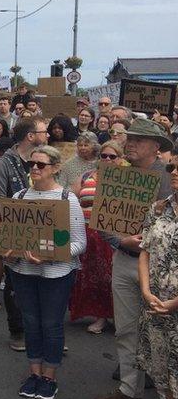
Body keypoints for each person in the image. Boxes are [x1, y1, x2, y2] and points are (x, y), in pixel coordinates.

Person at [93, 119, 174, 399]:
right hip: (125, 261)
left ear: (156, 147)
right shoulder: (117, 176)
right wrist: (121, 241)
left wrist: (147, 244)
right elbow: (103, 222)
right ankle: (130, 389)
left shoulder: (169, 178)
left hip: (159, 268)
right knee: (126, 329)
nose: (131, 144)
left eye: (139, 140)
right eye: (130, 139)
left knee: (160, 332)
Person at [7, 146, 87, 399]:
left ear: (54, 168)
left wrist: (50, 254)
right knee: (30, 322)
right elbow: (10, 237)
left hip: (57, 275)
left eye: (41, 165)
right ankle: (34, 372)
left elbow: (79, 243)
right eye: (32, 164)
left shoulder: (66, 199)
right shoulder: (19, 197)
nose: (34, 168)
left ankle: (49, 375)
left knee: (51, 324)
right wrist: (9, 250)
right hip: (24, 271)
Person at [0, 117, 48, 346]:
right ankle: (18, 331)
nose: (47, 135)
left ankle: (45, 333)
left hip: (44, 230)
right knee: (16, 286)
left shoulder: (47, 161)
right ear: (30, 136)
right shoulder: (3, 164)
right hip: (16, 234)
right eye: (43, 131)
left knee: (45, 285)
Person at [137, 159, 178, 399]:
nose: (173, 172)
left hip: (174, 306)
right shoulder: (159, 209)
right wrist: (145, 290)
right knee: (165, 375)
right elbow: (145, 252)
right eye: (171, 167)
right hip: (156, 307)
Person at [69, 141, 123, 335]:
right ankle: (99, 314)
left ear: (120, 159)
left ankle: (113, 317)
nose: (107, 159)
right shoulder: (87, 176)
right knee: (89, 276)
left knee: (109, 278)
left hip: (112, 237)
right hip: (87, 234)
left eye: (112, 156)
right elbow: (71, 198)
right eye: (104, 156)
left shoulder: (126, 180)